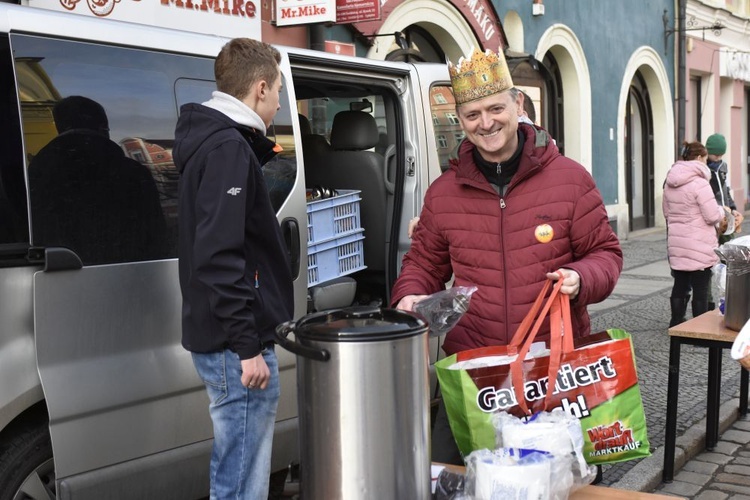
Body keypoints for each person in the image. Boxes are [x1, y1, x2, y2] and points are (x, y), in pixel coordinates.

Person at [391, 48, 623, 464]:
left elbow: (604, 253)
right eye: (472, 114)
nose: (486, 123)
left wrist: (580, 277)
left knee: (555, 486)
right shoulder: (444, 193)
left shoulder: (570, 179)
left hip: (551, 370)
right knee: (457, 481)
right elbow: (424, 264)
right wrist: (408, 296)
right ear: (459, 120)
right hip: (473, 372)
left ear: (518, 104)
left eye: (495, 108)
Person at [174, 38, 293, 500]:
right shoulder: (227, 148)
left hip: (225, 337)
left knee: (237, 463)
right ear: (260, 88)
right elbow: (220, 256)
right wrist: (247, 347)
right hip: (234, 345)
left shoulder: (217, 140)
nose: (280, 100)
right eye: (279, 88)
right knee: (241, 475)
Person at [28, 95, 166, 265]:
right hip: (131, 275)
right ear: (103, 129)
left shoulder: (36, 172)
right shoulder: (131, 173)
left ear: (59, 127)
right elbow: (158, 238)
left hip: (54, 274)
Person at [663, 141, 727, 327]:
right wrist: (723, 212)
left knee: (680, 285)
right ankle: (699, 327)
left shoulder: (670, 182)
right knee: (700, 287)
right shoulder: (699, 183)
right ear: (699, 158)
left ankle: (676, 322)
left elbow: (667, 213)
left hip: (678, 242)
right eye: (705, 159)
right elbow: (712, 215)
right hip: (699, 243)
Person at [705, 133, 744, 244]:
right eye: (715, 154)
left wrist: (732, 208)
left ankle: (727, 261)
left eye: (721, 155)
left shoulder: (723, 167)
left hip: (726, 214)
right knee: (713, 244)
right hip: (713, 213)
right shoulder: (704, 168)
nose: (718, 157)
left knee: (729, 242)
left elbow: (726, 190)